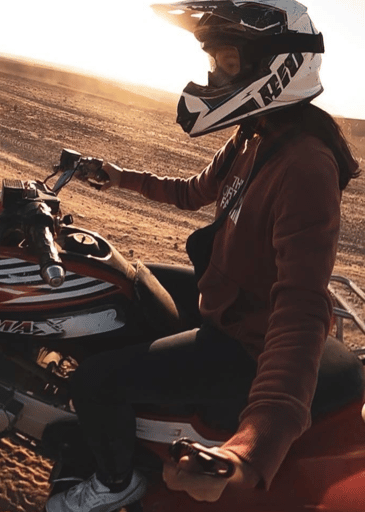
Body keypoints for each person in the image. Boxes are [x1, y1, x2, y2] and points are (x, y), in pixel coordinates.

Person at [46, 1, 361, 511]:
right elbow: (193, 191)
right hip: (224, 296)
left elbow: (301, 311)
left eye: (229, 62)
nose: (215, 74)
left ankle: (113, 482)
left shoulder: (306, 165)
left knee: (96, 381)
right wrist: (116, 175)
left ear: (276, 66)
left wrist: (251, 452)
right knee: (122, 280)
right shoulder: (256, 133)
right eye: (214, 60)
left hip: (246, 341)